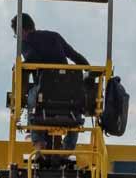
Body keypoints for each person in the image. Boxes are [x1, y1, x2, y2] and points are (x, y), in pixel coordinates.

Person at [11, 13, 89, 155]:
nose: (18, 38)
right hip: (68, 93)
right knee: (76, 111)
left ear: (22, 31)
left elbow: (32, 58)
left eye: (17, 35)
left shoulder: (25, 43)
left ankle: (39, 143)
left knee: (31, 101)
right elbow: (76, 57)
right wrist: (89, 72)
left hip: (44, 94)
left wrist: (20, 67)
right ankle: (68, 148)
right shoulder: (55, 36)